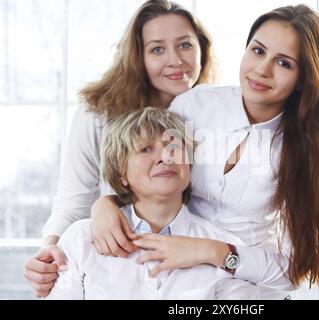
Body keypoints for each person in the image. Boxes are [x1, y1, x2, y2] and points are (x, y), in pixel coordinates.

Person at [28, 4, 319, 297]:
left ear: (304, 78)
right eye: (257, 50)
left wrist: (210, 251)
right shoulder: (194, 105)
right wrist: (106, 204)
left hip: (250, 285)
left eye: (284, 63)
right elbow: (151, 172)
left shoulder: (305, 150)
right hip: (178, 276)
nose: (262, 69)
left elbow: (298, 270)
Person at [24, 0, 217, 298]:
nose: (176, 60)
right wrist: (51, 251)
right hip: (116, 270)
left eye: (185, 45)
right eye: (157, 49)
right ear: (137, 57)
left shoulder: (217, 118)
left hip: (194, 274)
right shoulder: (98, 114)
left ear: (202, 49)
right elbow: (72, 202)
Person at [46, 108, 256, 300]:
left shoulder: (225, 248)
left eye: (173, 146)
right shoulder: (81, 239)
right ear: (122, 175)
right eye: (145, 149)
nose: (165, 156)